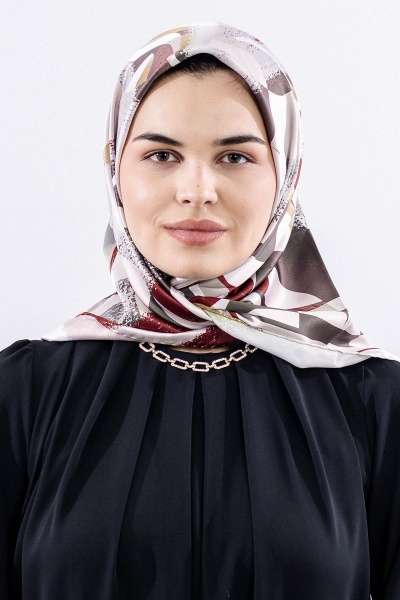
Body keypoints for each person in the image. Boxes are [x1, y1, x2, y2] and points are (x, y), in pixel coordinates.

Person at [1, 21, 400, 600]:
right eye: (161, 154)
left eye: (235, 157)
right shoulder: (24, 393)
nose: (196, 190)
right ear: (116, 171)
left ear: (285, 175)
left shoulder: (373, 402)